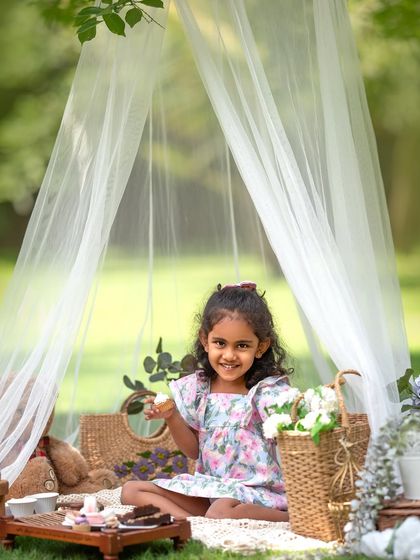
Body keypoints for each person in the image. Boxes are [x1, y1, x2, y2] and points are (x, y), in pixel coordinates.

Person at [121, 281, 291, 521]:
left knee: (221, 509)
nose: (229, 355)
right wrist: (172, 416)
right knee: (131, 490)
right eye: (220, 343)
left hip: (253, 491)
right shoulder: (199, 390)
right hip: (211, 488)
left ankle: (288, 518)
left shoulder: (266, 392)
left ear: (261, 347)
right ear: (205, 340)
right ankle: (191, 524)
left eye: (242, 345)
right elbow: (193, 452)